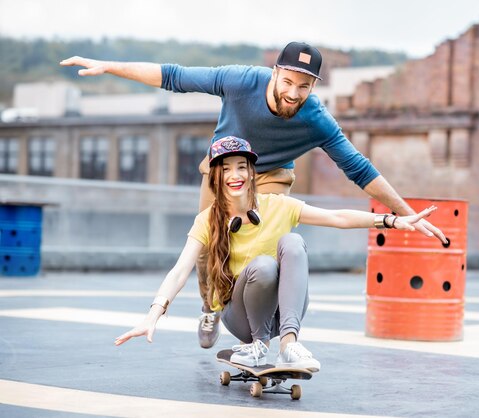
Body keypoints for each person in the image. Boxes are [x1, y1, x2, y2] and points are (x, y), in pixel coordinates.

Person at [61, 42, 447, 349]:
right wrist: (110, 66)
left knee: (267, 244)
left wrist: (407, 215)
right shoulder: (240, 80)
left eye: (304, 86)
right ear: (275, 73)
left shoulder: (315, 118)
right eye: (288, 82)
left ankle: (270, 325)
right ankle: (211, 307)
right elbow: (173, 76)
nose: (294, 93)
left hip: (273, 177)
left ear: (314, 87)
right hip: (223, 168)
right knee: (210, 246)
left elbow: (360, 169)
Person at [114, 136, 440, 371]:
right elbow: (180, 269)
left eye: (242, 167)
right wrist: (153, 314)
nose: (235, 175)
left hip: (283, 314)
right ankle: (256, 345)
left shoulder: (276, 206)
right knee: (264, 266)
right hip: (240, 316)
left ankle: (288, 345)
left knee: (293, 243)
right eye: (226, 169)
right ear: (217, 176)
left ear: (252, 173)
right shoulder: (207, 220)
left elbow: (336, 217)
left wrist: (393, 220)